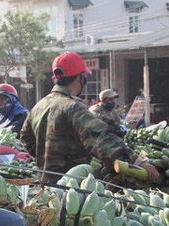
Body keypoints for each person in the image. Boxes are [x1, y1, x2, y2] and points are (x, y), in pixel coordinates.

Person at [20, 51, 159, 184]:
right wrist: (137, 161)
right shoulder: (73, 107)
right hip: (72, 187)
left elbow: (26, 138)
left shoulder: (38, 107)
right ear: (81, 77)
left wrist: (46, 156)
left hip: (45, 186)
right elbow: (101, 139)